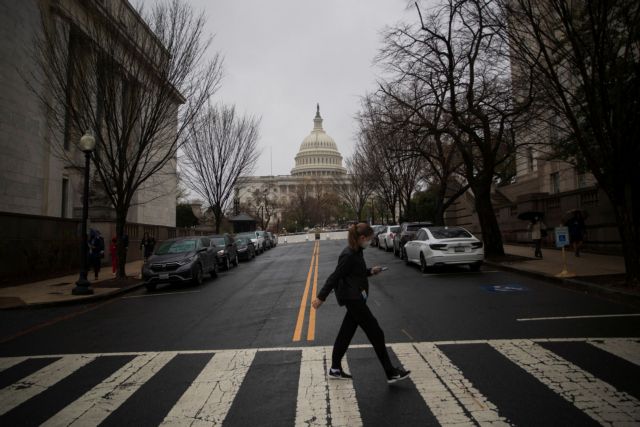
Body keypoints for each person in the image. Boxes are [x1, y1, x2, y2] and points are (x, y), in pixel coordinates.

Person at [311, 223, 411, 384]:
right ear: (362, 238)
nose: (370, 242)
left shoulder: (357, 252)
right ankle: (390, 372)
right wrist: (320, 297)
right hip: (353, 299)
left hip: (356, 297)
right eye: (369, 239)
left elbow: (356, 273)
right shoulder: (348, 255)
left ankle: (335, 369)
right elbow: (335, 276)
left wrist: (371, 271)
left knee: (346, 333)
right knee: (376, 332)